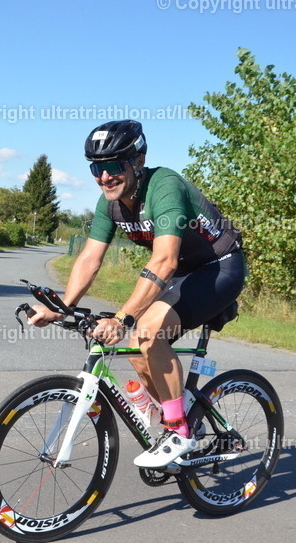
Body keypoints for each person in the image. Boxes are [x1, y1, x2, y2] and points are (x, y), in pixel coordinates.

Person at [28, 120, 246, 468]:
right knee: (136, 345)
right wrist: (61, 306)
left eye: (113, 166)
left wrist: (121, 317)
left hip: (220, 267)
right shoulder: (110, 203)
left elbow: (164, 260)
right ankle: (176, 410)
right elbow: (90, 258)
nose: (104, 177)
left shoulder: (164, 187)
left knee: (145, 330)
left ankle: (180, 430)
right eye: (96, 168)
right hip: (182, 271)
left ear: (138, 162)